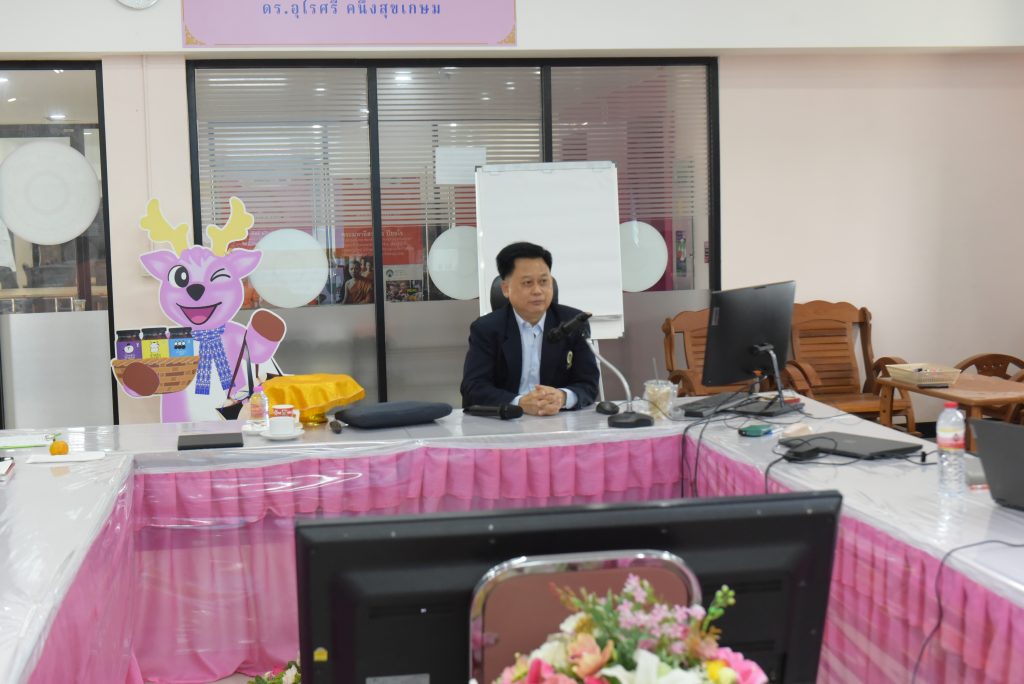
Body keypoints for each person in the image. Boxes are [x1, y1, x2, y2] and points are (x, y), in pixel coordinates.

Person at [460, 242, 599, 416]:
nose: (537, 291)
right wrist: (520, 403)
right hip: (506, 421)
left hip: (558, 418)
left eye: (543, 281)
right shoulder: (486, 329)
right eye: (527, 283)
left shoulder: (572, 323)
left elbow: (588, 383)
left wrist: (563, 397)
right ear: (506, 289)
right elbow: (473, 388)